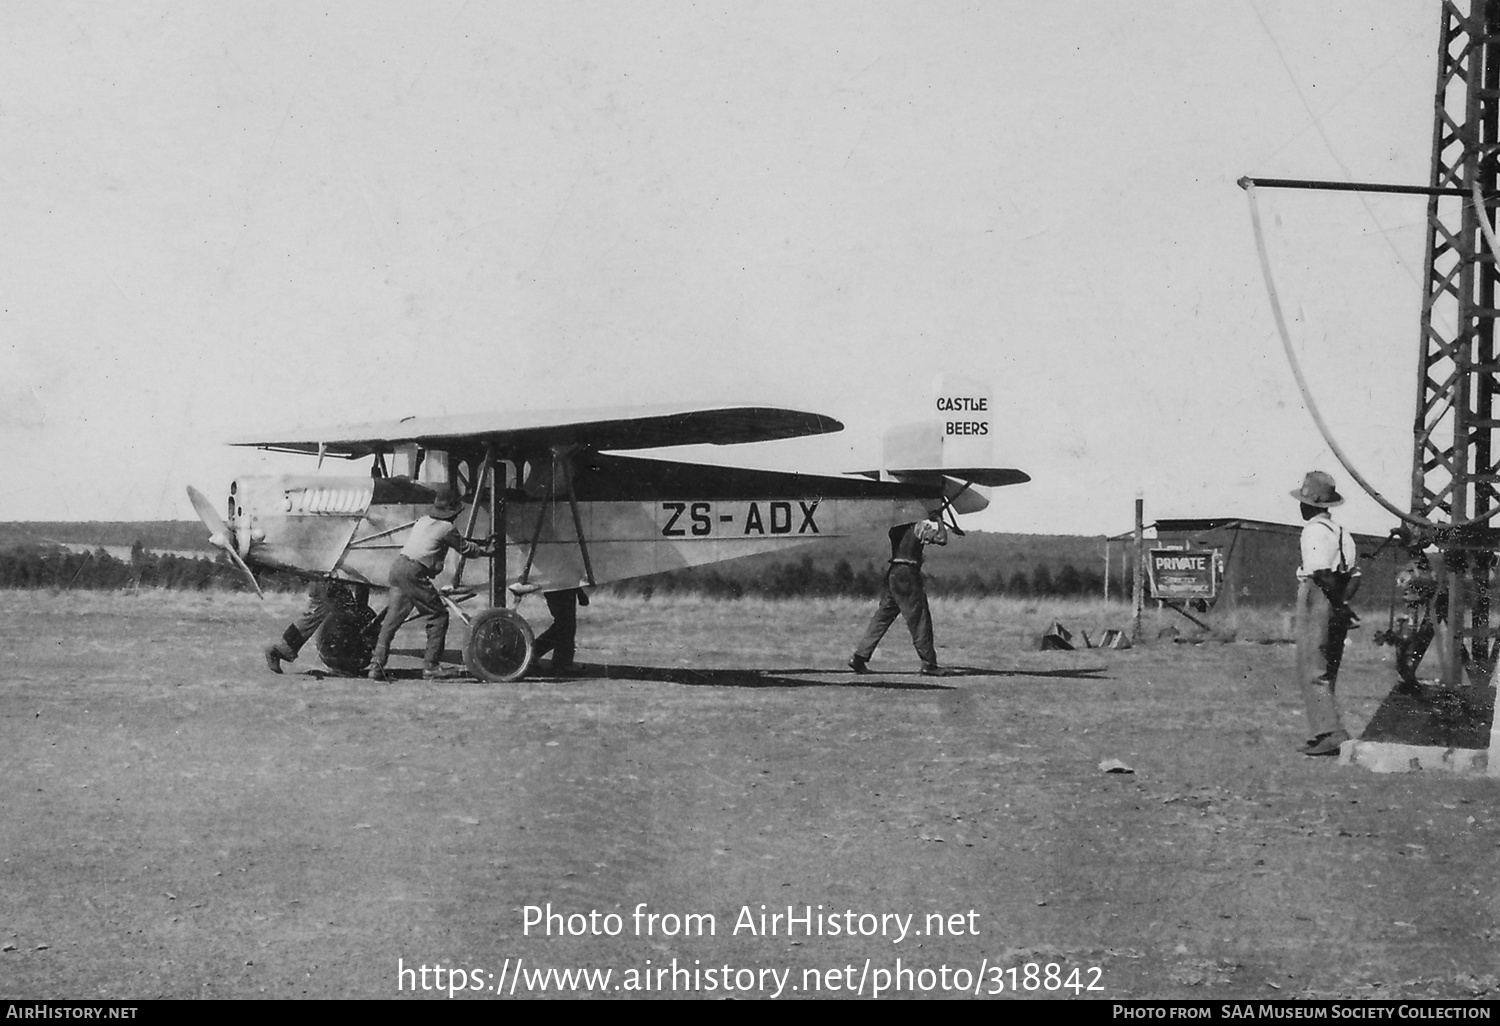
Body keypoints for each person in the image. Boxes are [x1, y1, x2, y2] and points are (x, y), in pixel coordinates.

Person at [368, 487, 496, 683]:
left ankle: (376, 665)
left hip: (399, 568)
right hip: (414, 573)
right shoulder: (447, 528)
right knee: (438, 616)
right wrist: (488, 551)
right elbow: (465, 548)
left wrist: (479, 543)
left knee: (392, 619)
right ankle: (431, 667)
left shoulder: (424, 521)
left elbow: (455, 541)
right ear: (453, 512)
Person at [1291, 470, 1361, 757]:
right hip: (1337, 594)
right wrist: (1343, 604)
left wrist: (1335, 603)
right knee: (1328, 666)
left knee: (1312, 666)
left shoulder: (1313, 531)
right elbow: (1356, 575)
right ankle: (1325, 729)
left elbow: (1320, 572)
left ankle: (1332, 733)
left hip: (1319, 593)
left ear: (1312, 504)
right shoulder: (1343, 533)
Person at [848, 511, 959, 677]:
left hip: (893, 573)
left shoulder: (895, 529)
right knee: (920, 618)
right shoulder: (919, 527)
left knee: (882, 617)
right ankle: (929, 663)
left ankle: (859, 657)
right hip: (908, 574)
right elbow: (942, 539)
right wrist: (939, 520)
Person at [263, 579, 335, 674]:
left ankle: (283, 648)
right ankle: (282, 648)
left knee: (326, 608)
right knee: (322, 608)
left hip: (325, 576)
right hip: (324, 576)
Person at [532, 587, 589, 673]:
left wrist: (579, 591)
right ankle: (561, 664)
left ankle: (531, 653)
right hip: (559, 587)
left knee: (564, 624)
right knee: (565, 624)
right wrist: (579, 591)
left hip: (562, 587)